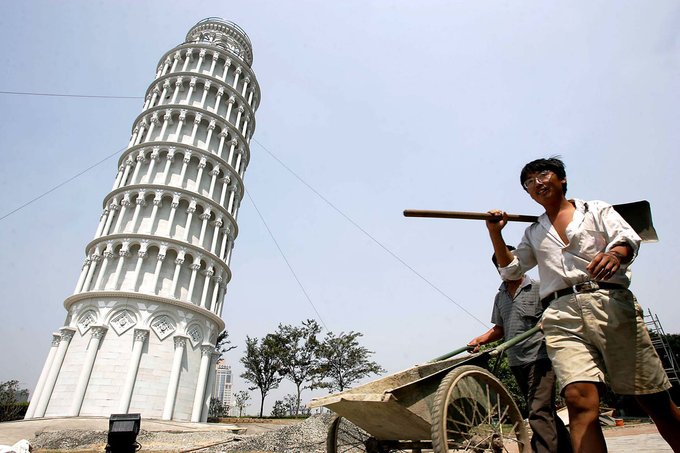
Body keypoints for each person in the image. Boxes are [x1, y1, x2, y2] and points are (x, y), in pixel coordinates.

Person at [486, 157, 680, 452]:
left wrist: (616, 253)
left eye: (542, 175)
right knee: (578, 400)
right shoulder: (533, 232)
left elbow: (627, 237)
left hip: (609, 304)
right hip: (561, 312)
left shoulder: (596, 209)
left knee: (653, 399)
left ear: (561, 179)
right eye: (529, 182)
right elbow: (512, 270)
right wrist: (495, 233)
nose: (536, 183)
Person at [468, 246, 572, 453]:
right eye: (501, 265)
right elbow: (500, 329)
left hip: (540, 358)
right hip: (517, 360)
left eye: (510, 263)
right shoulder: (500, 296)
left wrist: (547, 321)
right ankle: (569, 447)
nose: (506, 268)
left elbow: (557, 315)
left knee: (538, 410)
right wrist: (480, 339)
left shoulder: (540, 287)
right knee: (542, 410)